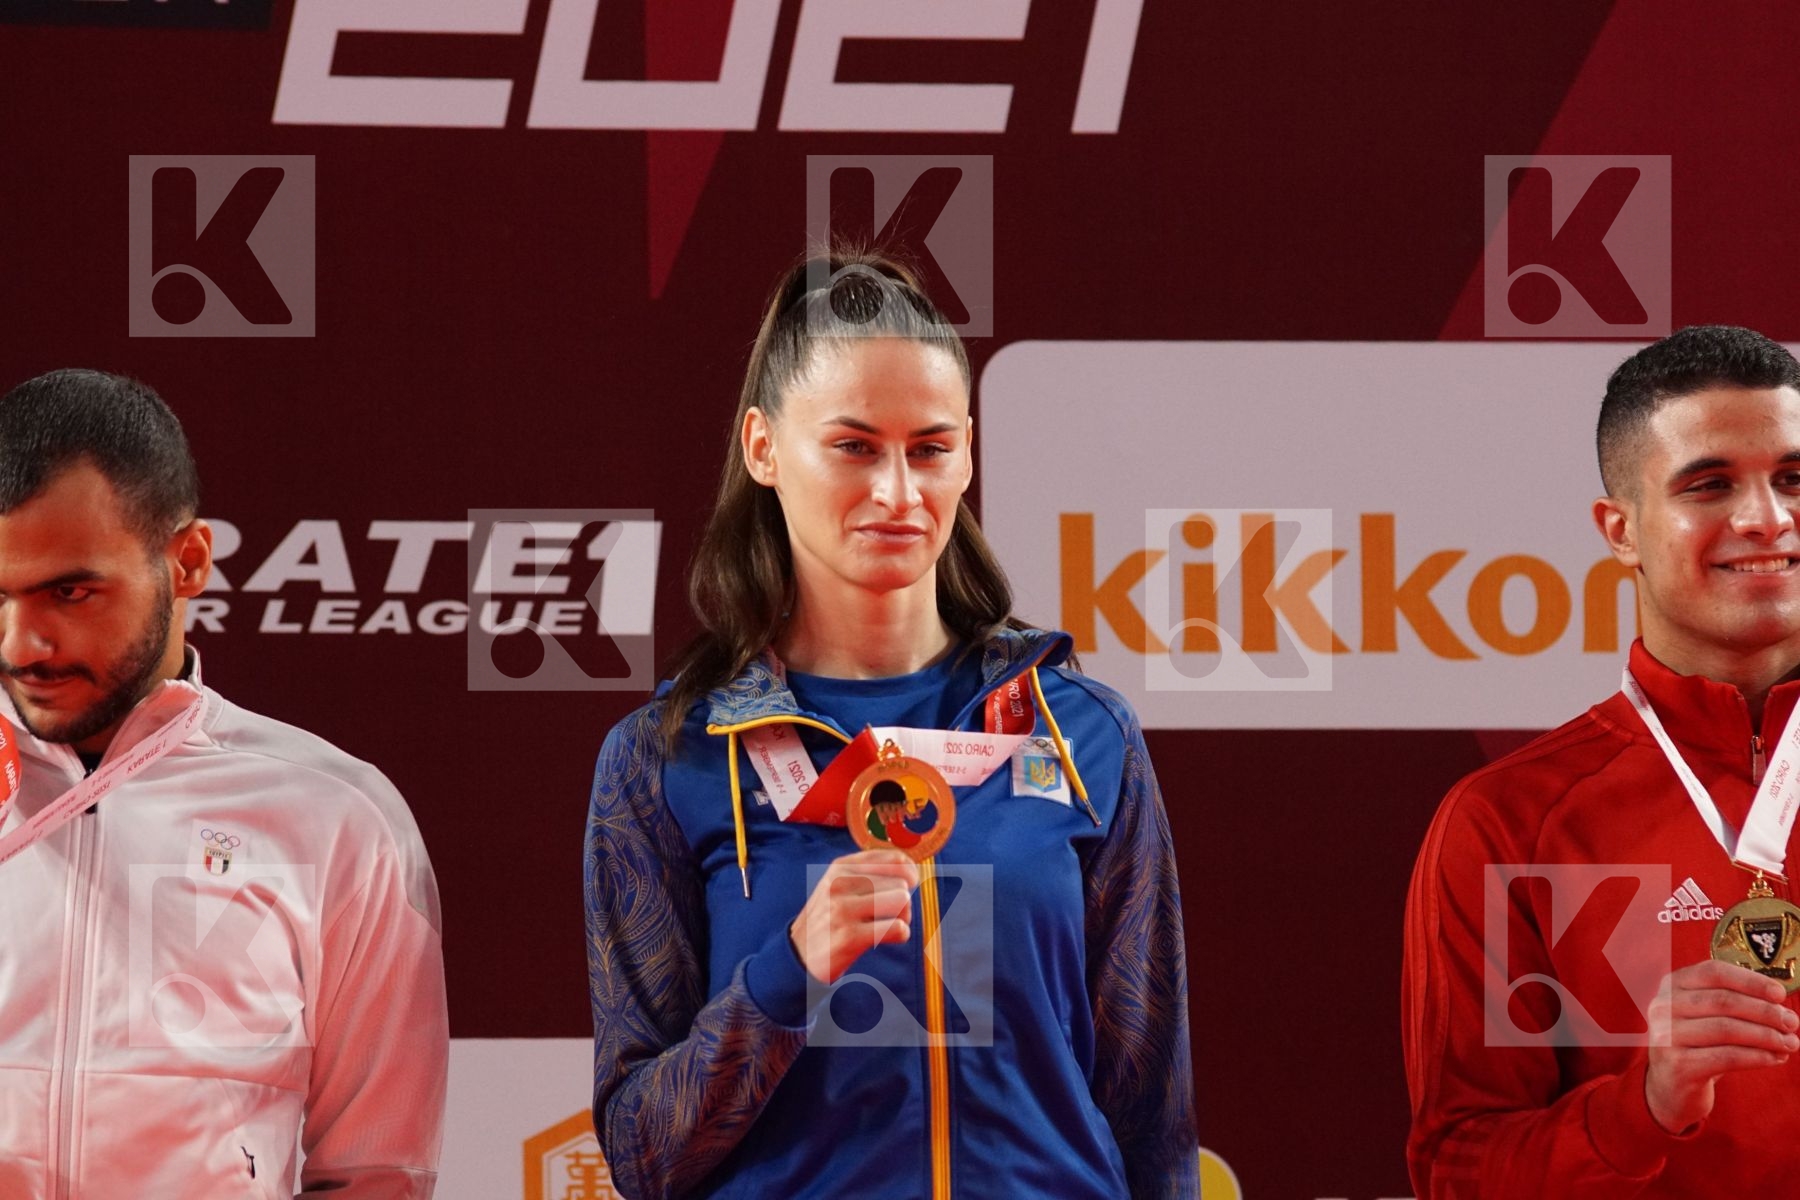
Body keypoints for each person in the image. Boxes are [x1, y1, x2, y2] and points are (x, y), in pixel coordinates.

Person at [584, 251, 1196, 1200]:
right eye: (855, 446)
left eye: (931, 447)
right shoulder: (668, 759)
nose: (900, 494)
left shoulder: (1079, 734)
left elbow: (1151, 1115)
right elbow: (640, 1151)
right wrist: (786, 976)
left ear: (968, 452)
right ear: (763, 448)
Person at [0, 370, 447, 1196]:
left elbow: (378, 1175)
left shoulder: (338, 816)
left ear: (189, 562)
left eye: (70, 592)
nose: (22, 644)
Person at [1404, 326, 1800, 1196]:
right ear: (1621, 531)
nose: (1767, 517)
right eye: (1710, 484)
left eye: (1794, 478)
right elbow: (1459, 1170)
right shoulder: (1510, 823)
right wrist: (1645, 1106)